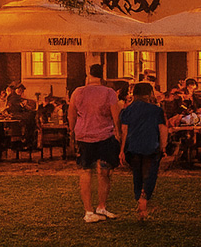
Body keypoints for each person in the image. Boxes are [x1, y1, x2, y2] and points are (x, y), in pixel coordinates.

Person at [69, 62, 122, 223]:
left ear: (89, 75)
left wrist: (72, 131)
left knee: (85, 171)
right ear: (102, 75)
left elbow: (71, 114)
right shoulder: (109, 93)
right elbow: (116, 116)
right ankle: (102, 206)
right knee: (104, 172)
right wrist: (119, 135)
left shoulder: (78, 92)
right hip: (105, 135)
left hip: (84, 136)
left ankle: (88, 211)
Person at [119, 81, 168, 221]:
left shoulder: (127, 110)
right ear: (149, 94)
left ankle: (139, 197)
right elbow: (162, 129)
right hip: (151, 145)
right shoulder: (156, 110)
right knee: (150, 173)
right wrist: (163, 147)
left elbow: (124, 131)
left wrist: (122, 150)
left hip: (133, 147)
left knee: (137, 173)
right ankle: (144, 196)